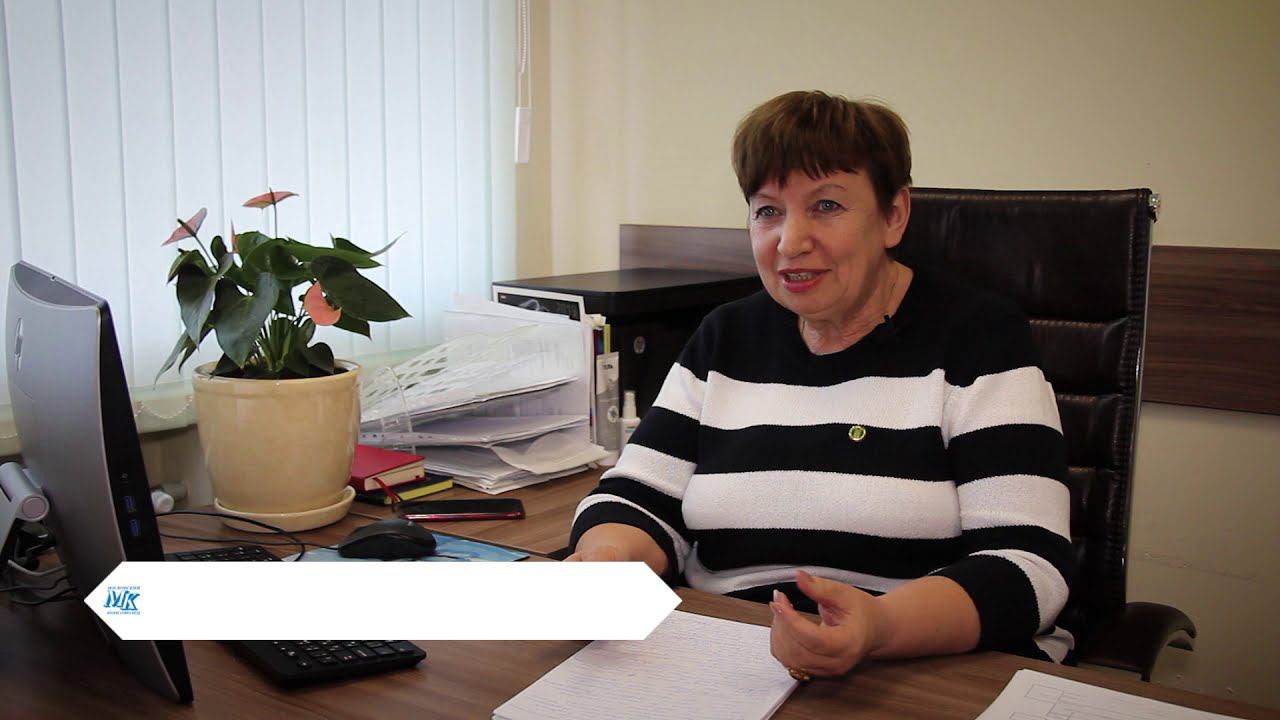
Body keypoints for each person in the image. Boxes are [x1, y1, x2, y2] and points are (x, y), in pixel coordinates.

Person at [566, 90, 1074, 678]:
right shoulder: (726, 336)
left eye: (826, 205)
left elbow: (1028, 563)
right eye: (767, 211)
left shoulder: (979, 338)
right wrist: (605, 561)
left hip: (919, 668)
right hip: (725, 659)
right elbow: (636, 498)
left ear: (894, 216)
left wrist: (877, 627)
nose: (790, 241)